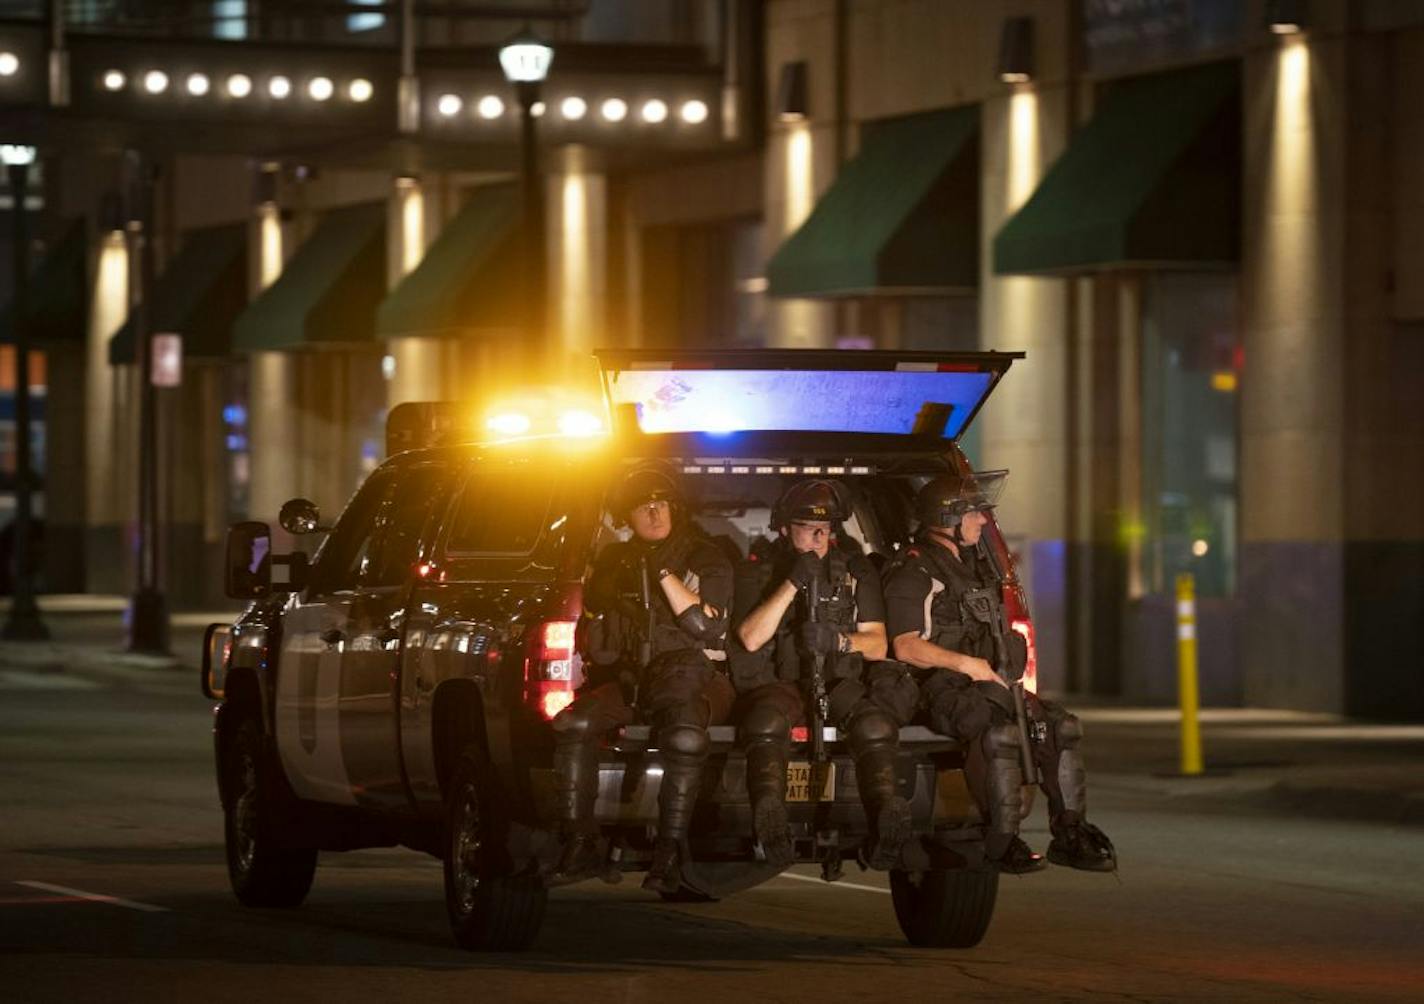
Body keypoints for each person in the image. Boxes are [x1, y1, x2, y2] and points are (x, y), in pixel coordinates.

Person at [884, 470, 1115, 872]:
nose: (982, 521)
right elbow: (905, 645)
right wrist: (966, 663)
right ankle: (1002, 840)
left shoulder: (975, 568)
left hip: (985, 683)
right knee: (998, 733)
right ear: (946, 520)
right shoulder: (915, 570)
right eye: (972, 513)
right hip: (939, 688)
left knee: (1060, 726)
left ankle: (1071, 833)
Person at [547, 462, 735, 893]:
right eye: (642, 508)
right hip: (636, 677)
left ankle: (669, 853)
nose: (653, 515)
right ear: (626, 518)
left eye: (660, 505)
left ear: (675, 508)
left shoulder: (706, 556)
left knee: (684, 737)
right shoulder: (618, 562)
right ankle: (580, 842)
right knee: (572, 724)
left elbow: (707, 626)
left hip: (692, 672)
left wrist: (662, 571)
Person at [731, 479, 919, 870]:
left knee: (875, 727)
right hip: (782, 683)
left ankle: (885, 821)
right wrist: (792, 581)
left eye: (827, 529)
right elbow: (750, 638)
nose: (819, 537)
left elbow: (878, 643)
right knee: (764, 722)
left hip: (839, 681)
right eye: (808, 528)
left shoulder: (855, 570)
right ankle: (771, 819)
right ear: (784, 529)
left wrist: (838, 642)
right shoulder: (760, 570)